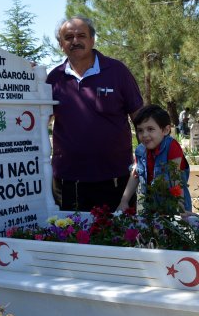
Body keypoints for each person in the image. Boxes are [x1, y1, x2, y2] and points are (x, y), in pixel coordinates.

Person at [47, 16, 144, 212]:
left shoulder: (117, 71)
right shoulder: (54, 78)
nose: (75, 41)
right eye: (69, 37)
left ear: (92, 40)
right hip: (68, 183)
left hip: (115, 181)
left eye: (81, 35)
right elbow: (38, 120)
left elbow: (140, 119)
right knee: (70, 240)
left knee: (119, 240)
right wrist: (29, 81)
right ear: (61, 44)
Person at [118, 104, 192, 213]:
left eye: (150, 129)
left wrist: (181, 208)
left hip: (174, 207)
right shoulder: (140, 150)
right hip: (151, 207)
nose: (144, 134)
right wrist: (124, 201)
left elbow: (175, 178)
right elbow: (135, 175)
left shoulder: (171, 146)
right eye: (140, 130)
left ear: (166, 130)